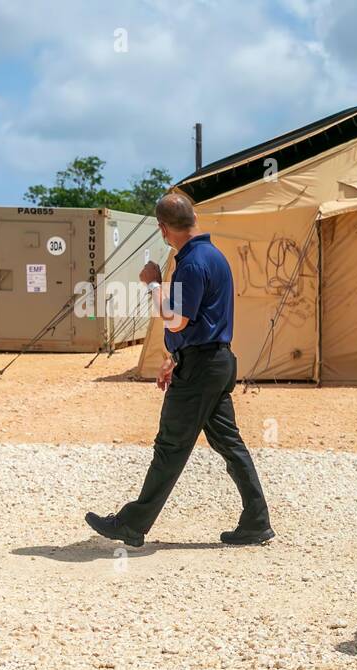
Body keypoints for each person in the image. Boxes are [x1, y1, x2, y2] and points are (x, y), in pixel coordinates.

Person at [85, 192, 273, 548]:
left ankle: (132, 524)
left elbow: (174, 320)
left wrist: (153, 283)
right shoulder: (213, 256)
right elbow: (200, 321)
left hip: (201, 369)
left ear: (163, 229)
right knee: (229, 444)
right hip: (214, 362)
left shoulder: (190, 263)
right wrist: (175, 357)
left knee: (170, 445)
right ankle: (256, 519)